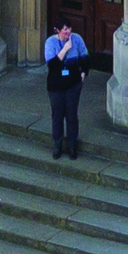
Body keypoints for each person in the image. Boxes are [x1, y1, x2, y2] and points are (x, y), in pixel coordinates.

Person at [42, 17, 91, 159]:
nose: (68, 32)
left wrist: (83, 73)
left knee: (71, 115)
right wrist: (65, 49)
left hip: (73, 84)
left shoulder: (77, 39)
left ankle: (72, 146)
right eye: (65, 30)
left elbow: (85, 57)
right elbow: (52, 65)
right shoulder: (51, 42)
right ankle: (57, 145)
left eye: (69, 28)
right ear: (58, 30)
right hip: (56, 86)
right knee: (57, 115)